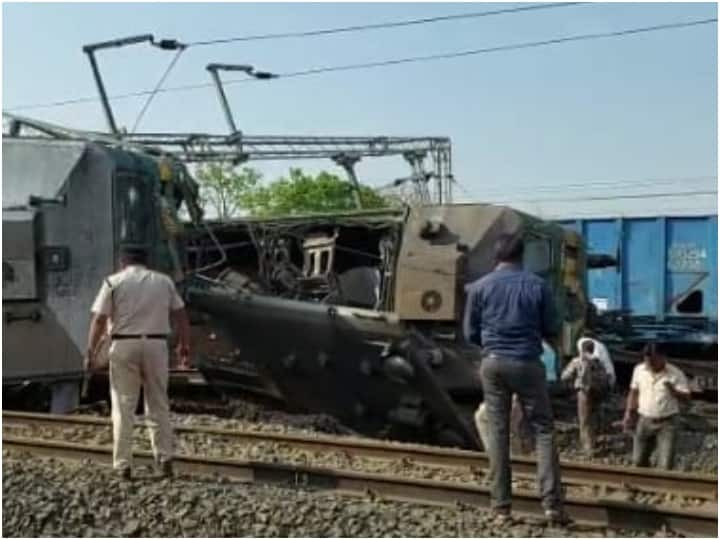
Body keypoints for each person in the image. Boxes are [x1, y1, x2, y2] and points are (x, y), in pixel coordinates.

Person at [464, 233, 567, 523]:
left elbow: (469, 333)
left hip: (493, 363)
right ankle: (552, 505)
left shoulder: (480, 287)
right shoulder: (538, 285)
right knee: (543, 430)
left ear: (496, 257)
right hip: (527, 363)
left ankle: (501, 508)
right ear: (522, 256)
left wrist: (490, 345)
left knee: (498, 431)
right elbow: (552, 326)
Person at [86, 246, 191, 479]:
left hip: (123, 346)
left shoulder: (113, 282)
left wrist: (91, 351)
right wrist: (184, 345)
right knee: (158, 403)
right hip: (156, 345)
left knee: (123, 406)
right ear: (146, 261)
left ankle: (123, 465)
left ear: (123, 262)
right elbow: (181, 315)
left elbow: (100, 319)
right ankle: (164, 460)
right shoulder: (163, 282)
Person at [622, 343, 690, 470]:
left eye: (653, 361)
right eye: (647, 361)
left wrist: (674, 391)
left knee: (665, 464)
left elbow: (687, 399)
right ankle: (643, 487)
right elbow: (634, 392)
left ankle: (663, 488)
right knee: (638, 461)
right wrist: (628, 413)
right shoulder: (639, 370)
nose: (650, 365)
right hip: (644, 420)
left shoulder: (676, 374)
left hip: (667, 423)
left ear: (663, 357)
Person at [561, 339, 611, 455]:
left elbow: (565, 376)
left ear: (582, 349)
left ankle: (588, 447)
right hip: (597, 393)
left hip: (583, 393)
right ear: (593, 349)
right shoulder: (598, 362)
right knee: (593, 417)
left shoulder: (578, 361)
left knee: (584, 420)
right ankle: (594, 441)